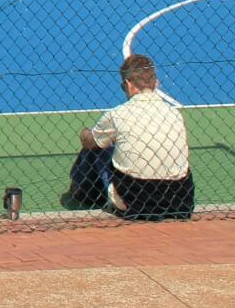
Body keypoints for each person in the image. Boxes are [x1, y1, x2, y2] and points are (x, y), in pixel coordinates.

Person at [65, 53, 194, 220]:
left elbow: (89, 142)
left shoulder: (117, 114)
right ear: (156, 83)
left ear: (128, 84)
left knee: (97, 148)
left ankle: (81, 195)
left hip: (134, 203)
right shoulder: (174, 114)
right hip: (179, 201)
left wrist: (86, 132)